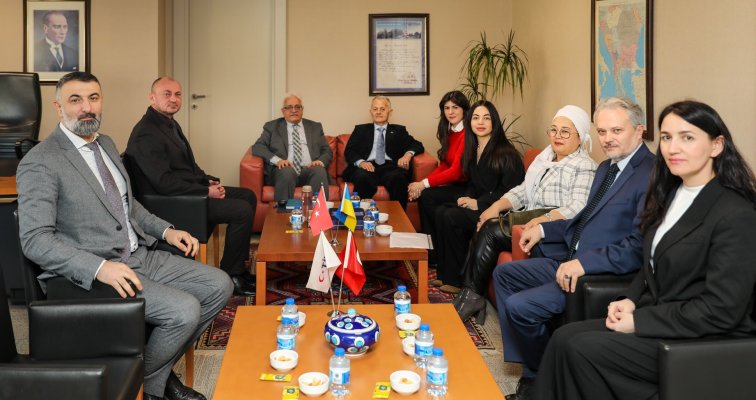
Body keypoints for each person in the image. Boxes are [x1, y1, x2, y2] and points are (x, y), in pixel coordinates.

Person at [16, 72, 232, 400]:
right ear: (59, 108)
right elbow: (35, 240)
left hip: (139, 254)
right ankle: (150, 387)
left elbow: (129, 206)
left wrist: (167, 231)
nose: (86, 107)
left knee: (220, 285)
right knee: (184, 310)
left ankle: (150, 374)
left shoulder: (105, 144)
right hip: (94, 272)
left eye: (93, 98)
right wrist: (100, 268)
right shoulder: (41, 161)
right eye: (75, 100)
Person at [533, 100, 756, 400]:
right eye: (666, 137)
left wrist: (640, 320)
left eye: (687, 137)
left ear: (716, 145)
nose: (673, 148)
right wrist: (631, 299)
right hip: (659, 315)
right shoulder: (671, 193)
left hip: (699, 335)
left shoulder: (736, 212)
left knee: (580, 350)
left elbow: (722, 309)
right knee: (562, 338)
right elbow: (650, 262)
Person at [493, 97, 655, 400]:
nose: (607, 139)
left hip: (596, 275)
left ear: (639, 130)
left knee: (520, 307)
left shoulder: (650, 174)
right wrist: (543, 229)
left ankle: (540, 378)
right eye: (602, 131)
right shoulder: (606, 168)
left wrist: (583, 264)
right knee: (505, 274)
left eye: (616, 130)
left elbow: (639, 246)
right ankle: (535, 367)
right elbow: (583, 218)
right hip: (570, 258)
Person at [453, 105, 597, 320]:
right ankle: (470, 293)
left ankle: (472, 296)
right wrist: (495, 207)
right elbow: (522, 190)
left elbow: (577, 207)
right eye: (554, 130)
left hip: (552, 227)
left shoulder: (584, 166)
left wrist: (542, 219)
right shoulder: (546, 158)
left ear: (580, 137)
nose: (557, 136)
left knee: (491, 230)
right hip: (529, 217)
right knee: (485, 222)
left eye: (565, 131)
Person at [125, 77, 257, 296]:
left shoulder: (168, 123)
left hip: (186, 194)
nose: (173, 99)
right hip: (171, 204)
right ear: (152, 98)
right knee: (240, 210)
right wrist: (205, 192)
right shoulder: (146, 133)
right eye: (167, 94)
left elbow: (187, 167)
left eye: (177, 94)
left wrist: (207, 181)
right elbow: (163, 183)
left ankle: (238, 267)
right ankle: (232, 276)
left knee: (247, 195)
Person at [432, 100, 525, 295]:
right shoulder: (473, 149)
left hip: (499, 212)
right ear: (470, 122)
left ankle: (456, 281)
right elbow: (474, 183)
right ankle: (446, 274)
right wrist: (468, 197)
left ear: (494, 122)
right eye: (475, 118)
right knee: (440, 212)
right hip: (482, 204)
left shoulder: (507, 153)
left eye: (486, 118)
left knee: (451, 217)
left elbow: (512, 191)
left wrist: (479, 203)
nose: (480, 122)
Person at [408, 90, 470, 267]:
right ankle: (433, 252)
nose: (450, 112)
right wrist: (421, 185)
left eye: (455, 107)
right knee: (425, 194)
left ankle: (435, 253)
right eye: (446, 108)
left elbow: (456, 171)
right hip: (455, 185)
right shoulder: (451, 132)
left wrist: (423, 184)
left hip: (467, 187)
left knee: (427, 195)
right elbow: (444, 165)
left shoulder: (467, 134)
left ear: (464, 109)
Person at [343, 96, 424, 209]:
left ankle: (399, 216)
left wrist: (407, 155)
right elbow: (349, 150)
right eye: (375, 109)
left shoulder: (399, 130)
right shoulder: (360, 130)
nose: (378, 112)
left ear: (390, 112)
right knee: (363, 177)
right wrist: (361, 162)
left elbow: (417, 144)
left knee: (398, 178)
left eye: (382, 109)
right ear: (371, 112)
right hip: (366, 167)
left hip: (390, 167)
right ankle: (360, 215)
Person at [251, 94, 333, 201]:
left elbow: (327, 150)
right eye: (289, 107)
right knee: (286, 171)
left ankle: (319, 210)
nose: (294, 110)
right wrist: (278, 161)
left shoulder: (315, 127)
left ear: (302, 110)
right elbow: (258, 147)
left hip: (309, 170)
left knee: (318, 170)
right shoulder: (272, 127)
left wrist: (320, 161)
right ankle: (283, 210)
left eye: (297, 107)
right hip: (284, 172)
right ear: (283, 111)